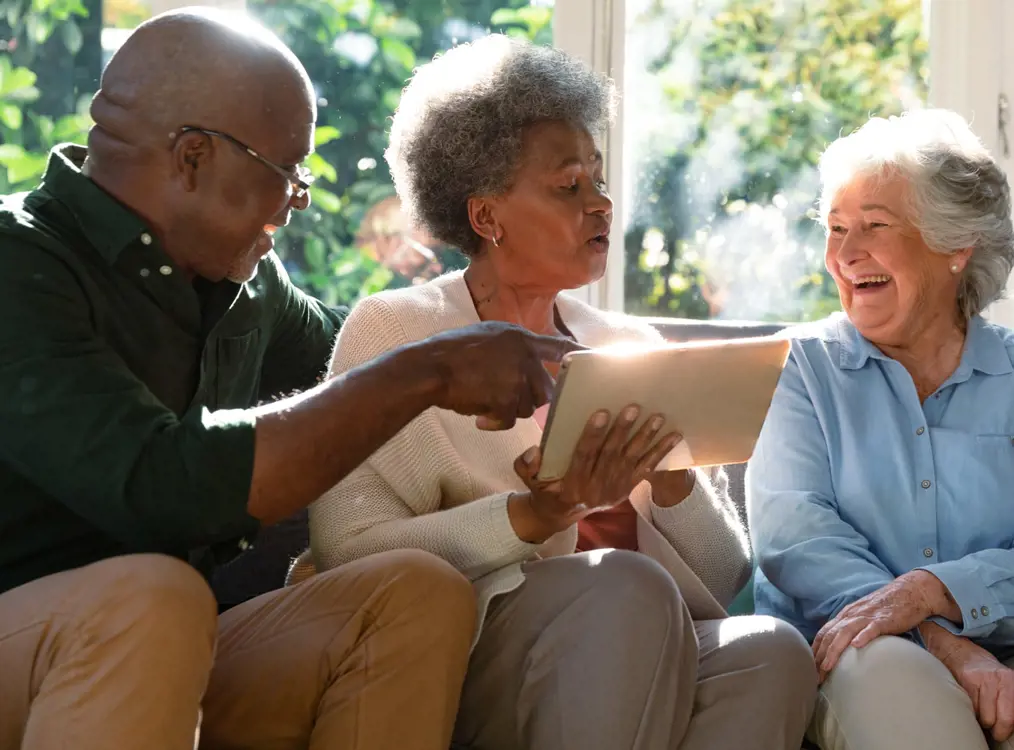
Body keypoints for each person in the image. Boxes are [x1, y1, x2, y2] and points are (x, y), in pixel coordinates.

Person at [0, 10, 583, 750]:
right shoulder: (18, 265)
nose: (296, 200)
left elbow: (361, 358)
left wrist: (499, 320)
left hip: (168, 645)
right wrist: (434, 366)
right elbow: (163, 485)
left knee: (413, 592)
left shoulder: (248, 284)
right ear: (192, 158)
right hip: (44, 641)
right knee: (155, 597)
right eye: (287, 171)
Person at [298, 35, 816, 750]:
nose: (601, 205)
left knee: (770, 650)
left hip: (642, 633)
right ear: (486, 216)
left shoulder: (629, 346)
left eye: (599, 181)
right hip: (473, 652)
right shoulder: (397, 332)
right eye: (570, 186)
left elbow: (726, 574)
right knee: (624, 585)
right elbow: (344, 550)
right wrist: (531, 516)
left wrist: (669, 483)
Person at [747, 109, 1014, 750]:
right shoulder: (794, 366)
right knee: (885, 667)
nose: (844, 255)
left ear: (957, 245)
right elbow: (795, 539)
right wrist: (941, 638)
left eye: (873, 227)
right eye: (836, 229)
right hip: (855, 647)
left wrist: (935, 589)